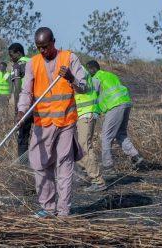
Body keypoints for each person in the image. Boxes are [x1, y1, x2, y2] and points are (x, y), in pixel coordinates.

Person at [16, 27, 88, 217]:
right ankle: (48, 208)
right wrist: (21, 111)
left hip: (66, 123)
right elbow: (26, 91)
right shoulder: (33, 63)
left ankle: (63, 211)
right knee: (40, 165)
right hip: (42, 124)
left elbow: (83, 87)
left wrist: (70, 78)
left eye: (45, 47)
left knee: (64, 166)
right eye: (39, 47)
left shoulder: (69, 58)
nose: (42, 51)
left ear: (54, 42)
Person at [87, 60, 144, 171]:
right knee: (120, 133)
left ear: (93, 69)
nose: (88, 73)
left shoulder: (95, 79)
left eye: (88, 69)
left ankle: (108, 166)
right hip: (126, 103)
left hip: (115, 106)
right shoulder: (110, 75)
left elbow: (93, 97)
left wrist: (94, 112)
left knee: (106, 137)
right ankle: (136, 157)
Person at [74, 63, 106, 192]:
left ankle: (97, 181)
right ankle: (87, 173)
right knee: (77, 147)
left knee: (85, 146)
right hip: (83, 114)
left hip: (86, 113)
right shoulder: (77, 70)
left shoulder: (77, 71)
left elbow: (82, 89)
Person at [8, 42, 32, 159]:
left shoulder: (17, 65)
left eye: (12, 55)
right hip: (39, 104)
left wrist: (18, 109)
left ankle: (23, 167)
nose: (11, 59)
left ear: (19, 53)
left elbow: (17, 87)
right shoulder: (33, 61)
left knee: (22, 136)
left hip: (26, 105)